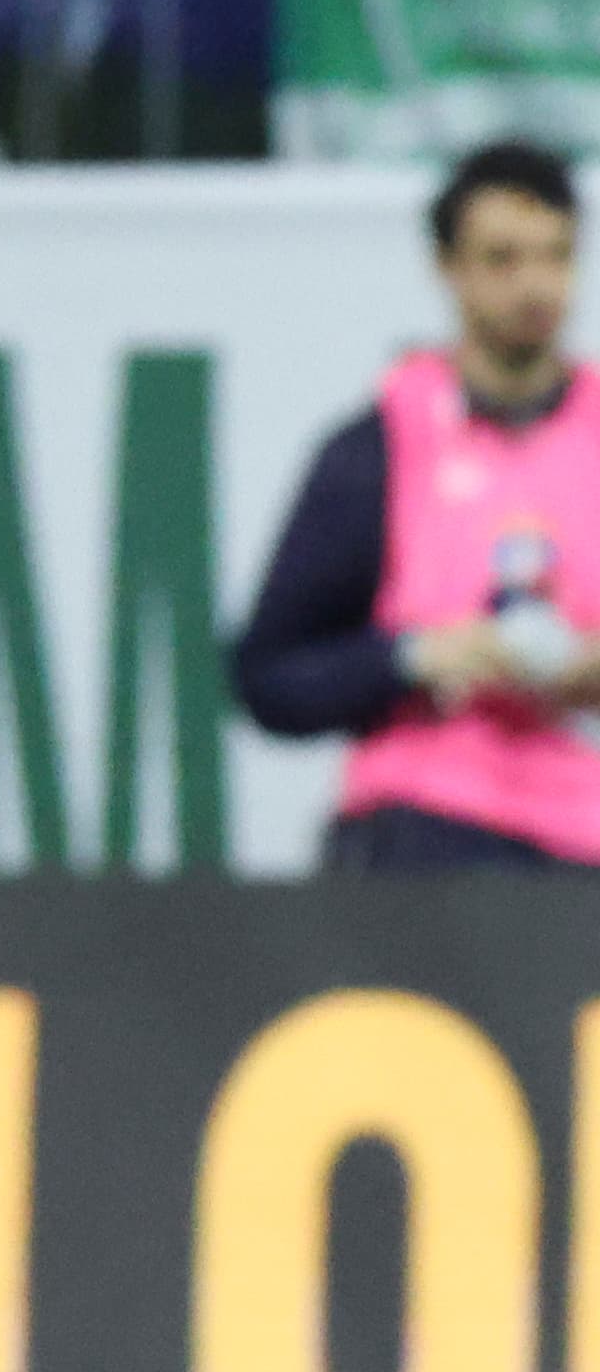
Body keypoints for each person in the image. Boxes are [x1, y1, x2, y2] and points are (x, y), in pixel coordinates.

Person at [232, 141, 600, 871]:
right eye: (502, 259)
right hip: (424, 823)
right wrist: (415, 656)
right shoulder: (381, 447)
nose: (535, 285)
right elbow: (271, 678)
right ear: (447, 267)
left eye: (555, 256)